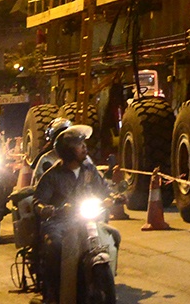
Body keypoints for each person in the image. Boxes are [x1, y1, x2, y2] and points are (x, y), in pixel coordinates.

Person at [30, 126, 116, 304]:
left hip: (85, 219)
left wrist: (114, 197)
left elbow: (103, 189)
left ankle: (102, 280)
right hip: (58, 222)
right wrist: (45, 208)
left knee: (115, 236)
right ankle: (52, 293)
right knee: (55, 246)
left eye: (84, 144)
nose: (84, 147)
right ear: (68, 151)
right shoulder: (52, 175)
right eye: (79, 145)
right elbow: (37, 200)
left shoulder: (89, 170)